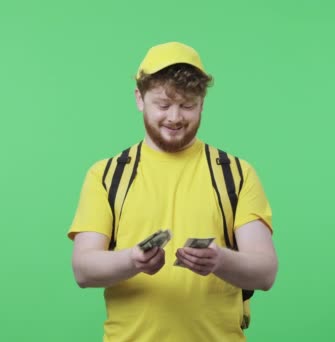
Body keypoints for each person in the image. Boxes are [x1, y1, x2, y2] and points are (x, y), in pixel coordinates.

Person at [67, 41, 277, 341]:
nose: (175, 118)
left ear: (202, 103)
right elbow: (83, 269)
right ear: (139, 98)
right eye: (163, 105)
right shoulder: (107, 175)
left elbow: (265, 271)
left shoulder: (236, 173)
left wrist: (221, 261)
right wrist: (132, 260)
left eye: (187, 105)